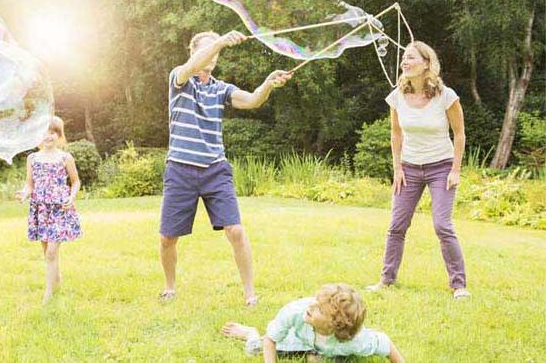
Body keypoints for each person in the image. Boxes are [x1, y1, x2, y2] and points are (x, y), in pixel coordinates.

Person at [159, 30, 293, 306]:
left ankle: (250, 294)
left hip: (215, 169)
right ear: (194, 52)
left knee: (236, 230)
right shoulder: (180, 78)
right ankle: (170, 287)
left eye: (216, 51)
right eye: (207, 49)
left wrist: (268, 83)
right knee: (168, 237)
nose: (212, 54)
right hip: (180, 168)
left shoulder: (222, 89)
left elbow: (253, 100)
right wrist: (219, 41)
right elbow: (190, 68)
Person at [366, 41, 470, 299]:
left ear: (426, 63)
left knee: (442, 226)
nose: (405, 62)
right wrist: (397, 168)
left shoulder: (446, 95)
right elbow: (395, 133)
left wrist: (455, 169)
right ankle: (386, 280)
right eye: (404, 57)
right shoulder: (397, 96)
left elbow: (459, 134)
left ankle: (459, 286)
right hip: (409, 168)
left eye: (411, 57)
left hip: (441, 167)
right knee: (396, 226)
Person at [222, 283, 404, 362]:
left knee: (337, 358)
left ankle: (316, 354)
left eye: (320, 309)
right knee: (255, 348)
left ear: (336, 325)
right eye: (316, 300)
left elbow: (386, 344)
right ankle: (250, 333)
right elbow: (271, 339)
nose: (311, 305)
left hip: (329, 346)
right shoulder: (297, 311)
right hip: (296, 339)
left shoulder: (357, 341)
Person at [16, 116, 82, 304]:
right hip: (41, 208)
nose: (48, 136)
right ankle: (57, 278)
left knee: (52, 251)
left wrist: (72, 196)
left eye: (53, 132)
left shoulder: (65, 157)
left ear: (59, 135)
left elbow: (76, 181)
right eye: (45, 132)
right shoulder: (33, 158)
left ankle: (48, 293)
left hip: (60, 208)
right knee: (47, 250)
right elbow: (30, 184)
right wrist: (24, 193)